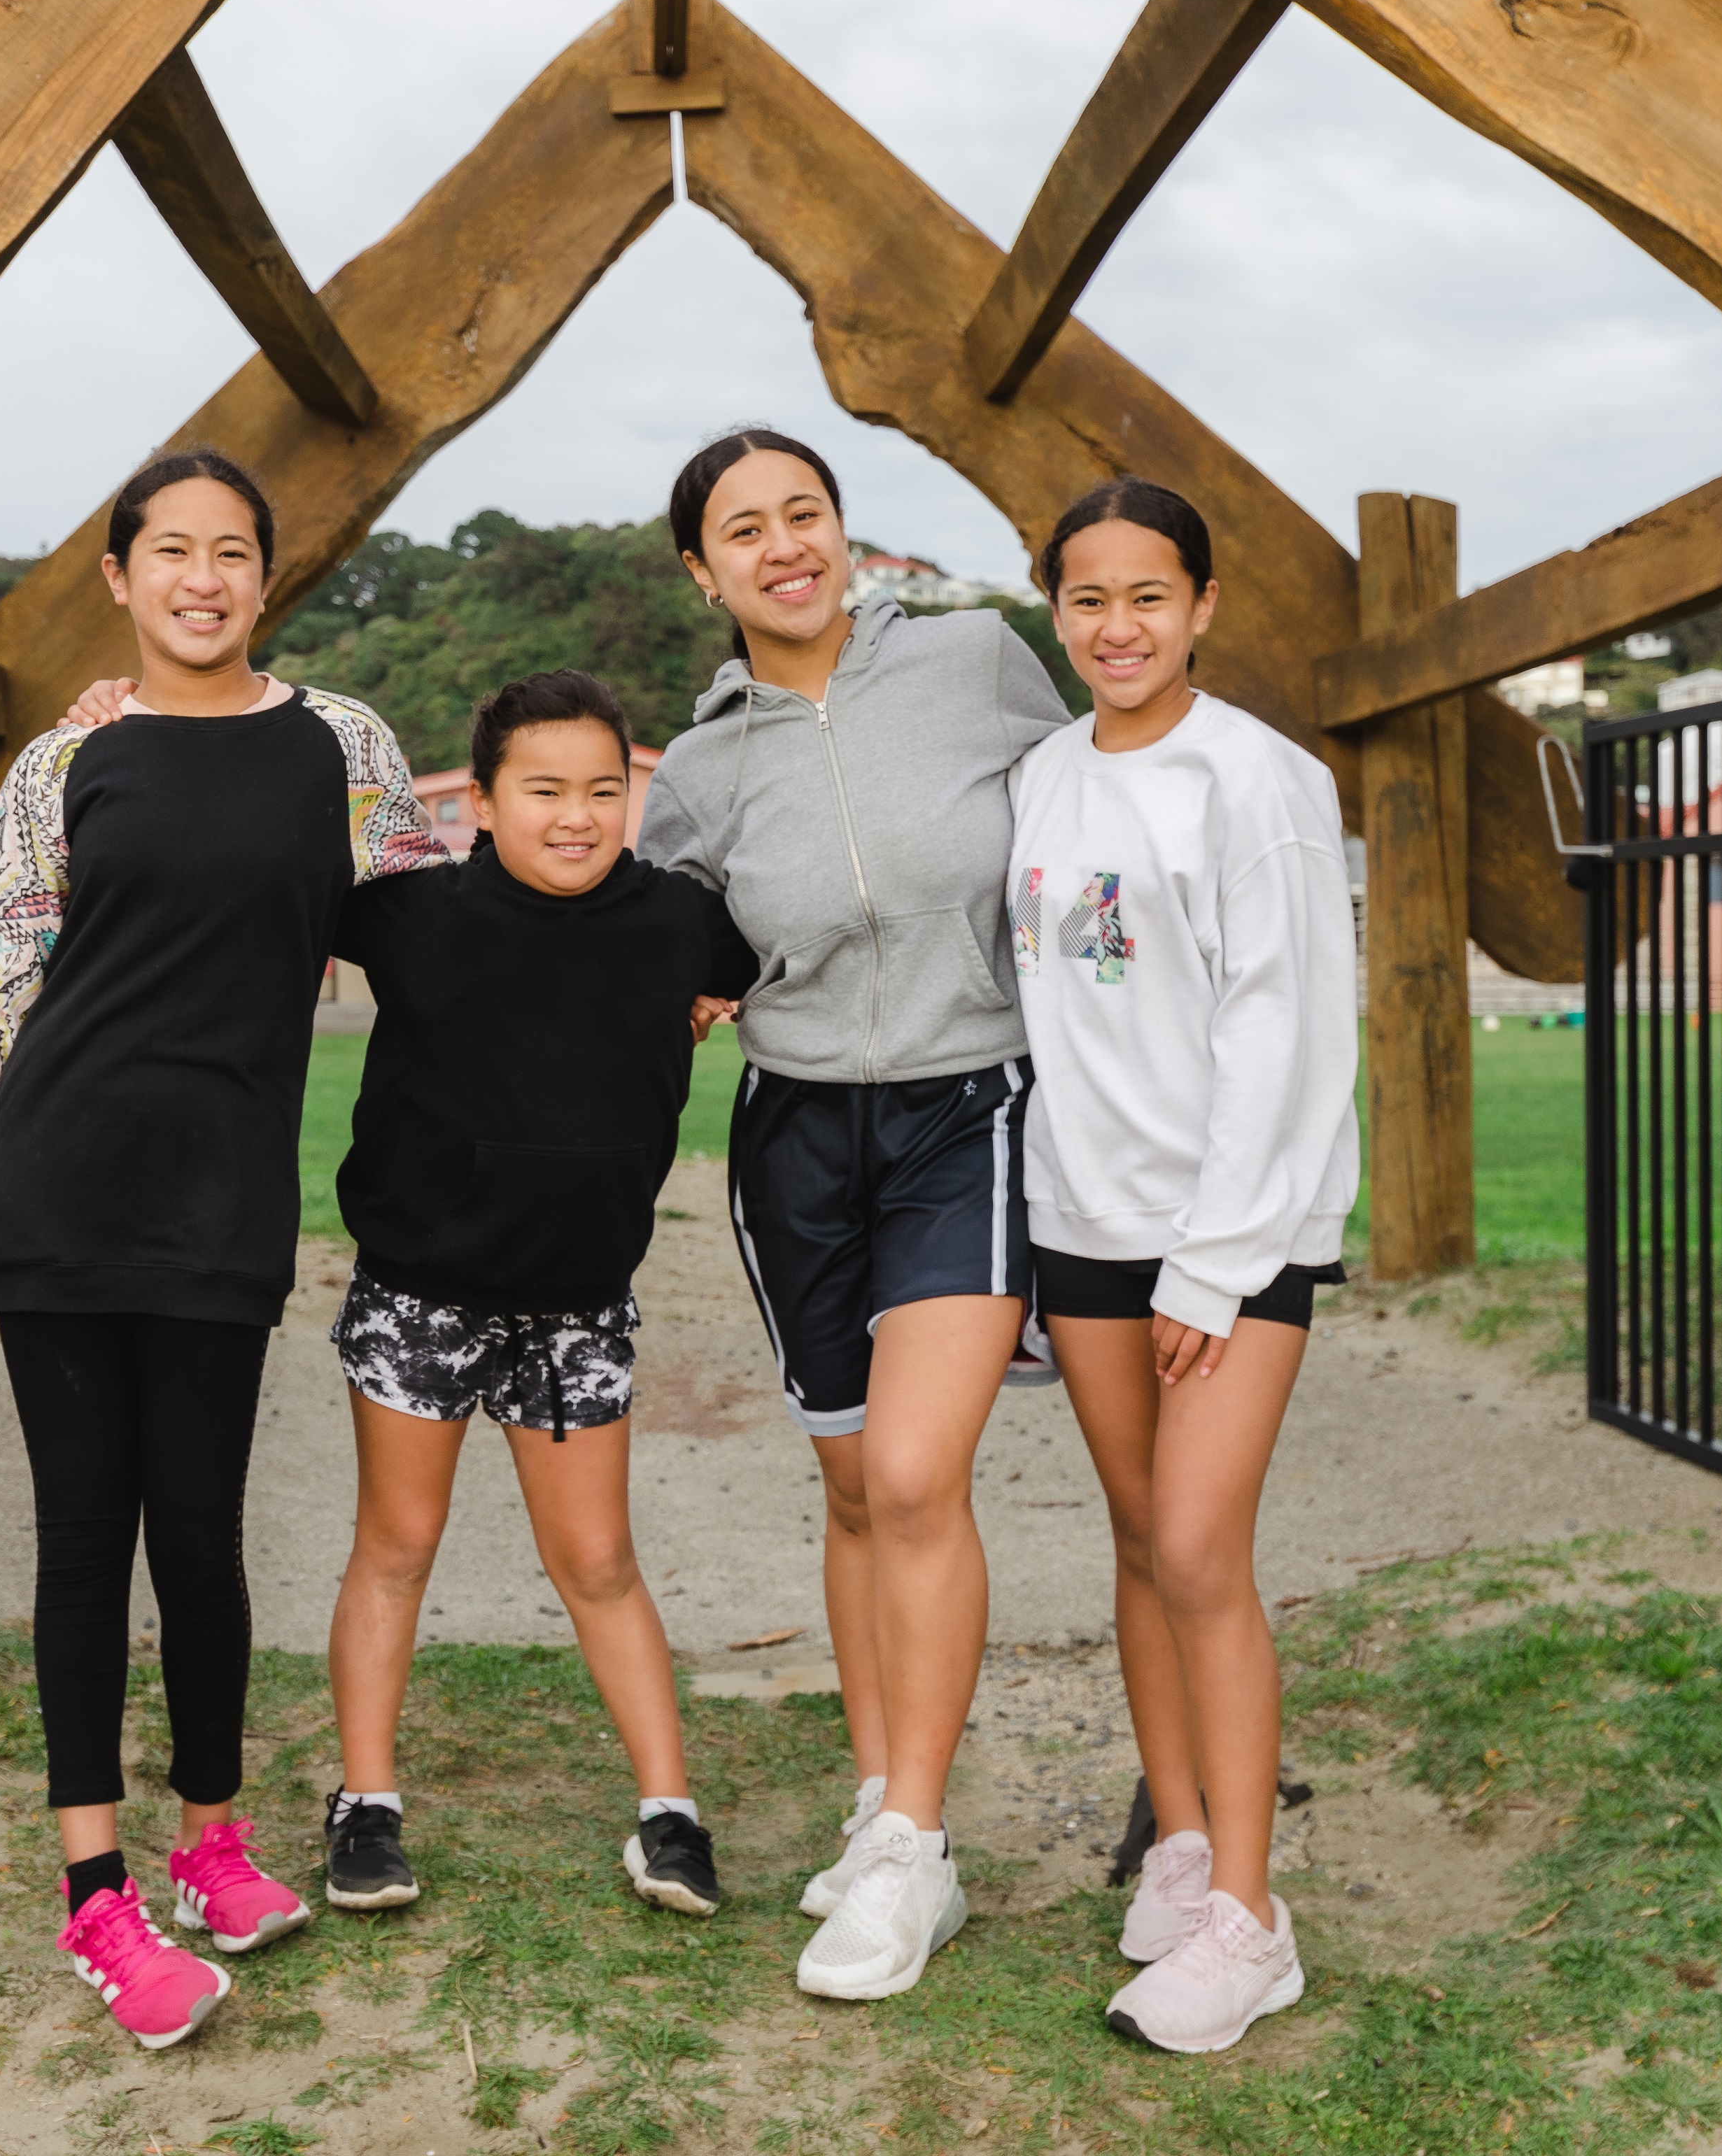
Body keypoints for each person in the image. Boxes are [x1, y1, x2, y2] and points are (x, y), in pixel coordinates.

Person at [0, 447, 442, 2053]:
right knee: (80, 1540)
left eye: (232, 552)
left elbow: (443, 937)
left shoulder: (342, 749)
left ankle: (211, 1846)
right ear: (121, 579)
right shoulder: (66, 767)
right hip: (60, 1192)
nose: (202, 578)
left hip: (222, 1201)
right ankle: (95, 1895)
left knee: (200, 1537)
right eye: (169, 552)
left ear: (269, 577)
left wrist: (629, 963)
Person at [637, 427, 1074, 2001]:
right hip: (797, 1136)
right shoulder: (695, 771)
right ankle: (884, 1798)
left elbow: (1109, 783)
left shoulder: (976, 664)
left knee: (911, 1470)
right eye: (743, 531)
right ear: (705, 571)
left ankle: (916, 1846)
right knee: (849, 1494)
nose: (782, 547)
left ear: (842, 530)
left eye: (803, 514)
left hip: (976, 1101)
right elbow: (662, 950)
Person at [310, 669, 760, 1921]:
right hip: (420, 1296)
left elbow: (779, 946)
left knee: (601, 1559)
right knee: (396, 1548)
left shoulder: (683, 925)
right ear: (487, 802)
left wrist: (719, 992)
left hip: (578, 1309)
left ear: (634, 795)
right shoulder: (413, 916)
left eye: (603, 791)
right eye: (544, 790)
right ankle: (365, 1807)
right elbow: (257, 870)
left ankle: (670, 1814)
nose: (576, 815)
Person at [1009, 477, 1356, 2055]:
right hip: (1084, 1223)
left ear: (1203, 606)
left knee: (1207, 1551)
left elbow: (1283, 1029)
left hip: (1229, 1233)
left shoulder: (1258, 783)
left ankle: (1253, 1922)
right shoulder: (1045, 776)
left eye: (1149, 595)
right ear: (1056, 612)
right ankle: (1182, 1848)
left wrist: (1212, 1264)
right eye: (1087, 598)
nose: (1118, 626)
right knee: (1144, 1542)